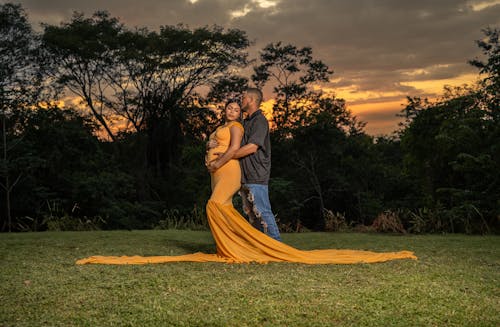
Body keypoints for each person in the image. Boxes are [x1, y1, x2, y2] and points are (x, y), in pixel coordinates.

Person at [75, 94, 417, 265]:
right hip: (222, 172)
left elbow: (243, 148)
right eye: (230, 107)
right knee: (246, 211)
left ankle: (269, 248)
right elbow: (215, 145)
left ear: (246, 107)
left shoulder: (245, 125)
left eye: (238, 106)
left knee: (226, 208)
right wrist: (207, 157)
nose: (233, 110)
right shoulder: (225, 124)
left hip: (231, 171)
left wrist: (219, 160)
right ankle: (245, 246)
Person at [208, 88, 281, 241]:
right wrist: (213, 143)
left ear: (251, 100)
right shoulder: (245, 122)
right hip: (244, 174)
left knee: (262, 211)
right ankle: (259, 245)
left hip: (257, 174)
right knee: (252, 214)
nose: (242, 100)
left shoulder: (259, 120)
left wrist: (227, 155)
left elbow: (252, 147)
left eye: (244, 98)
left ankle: (277, 245)